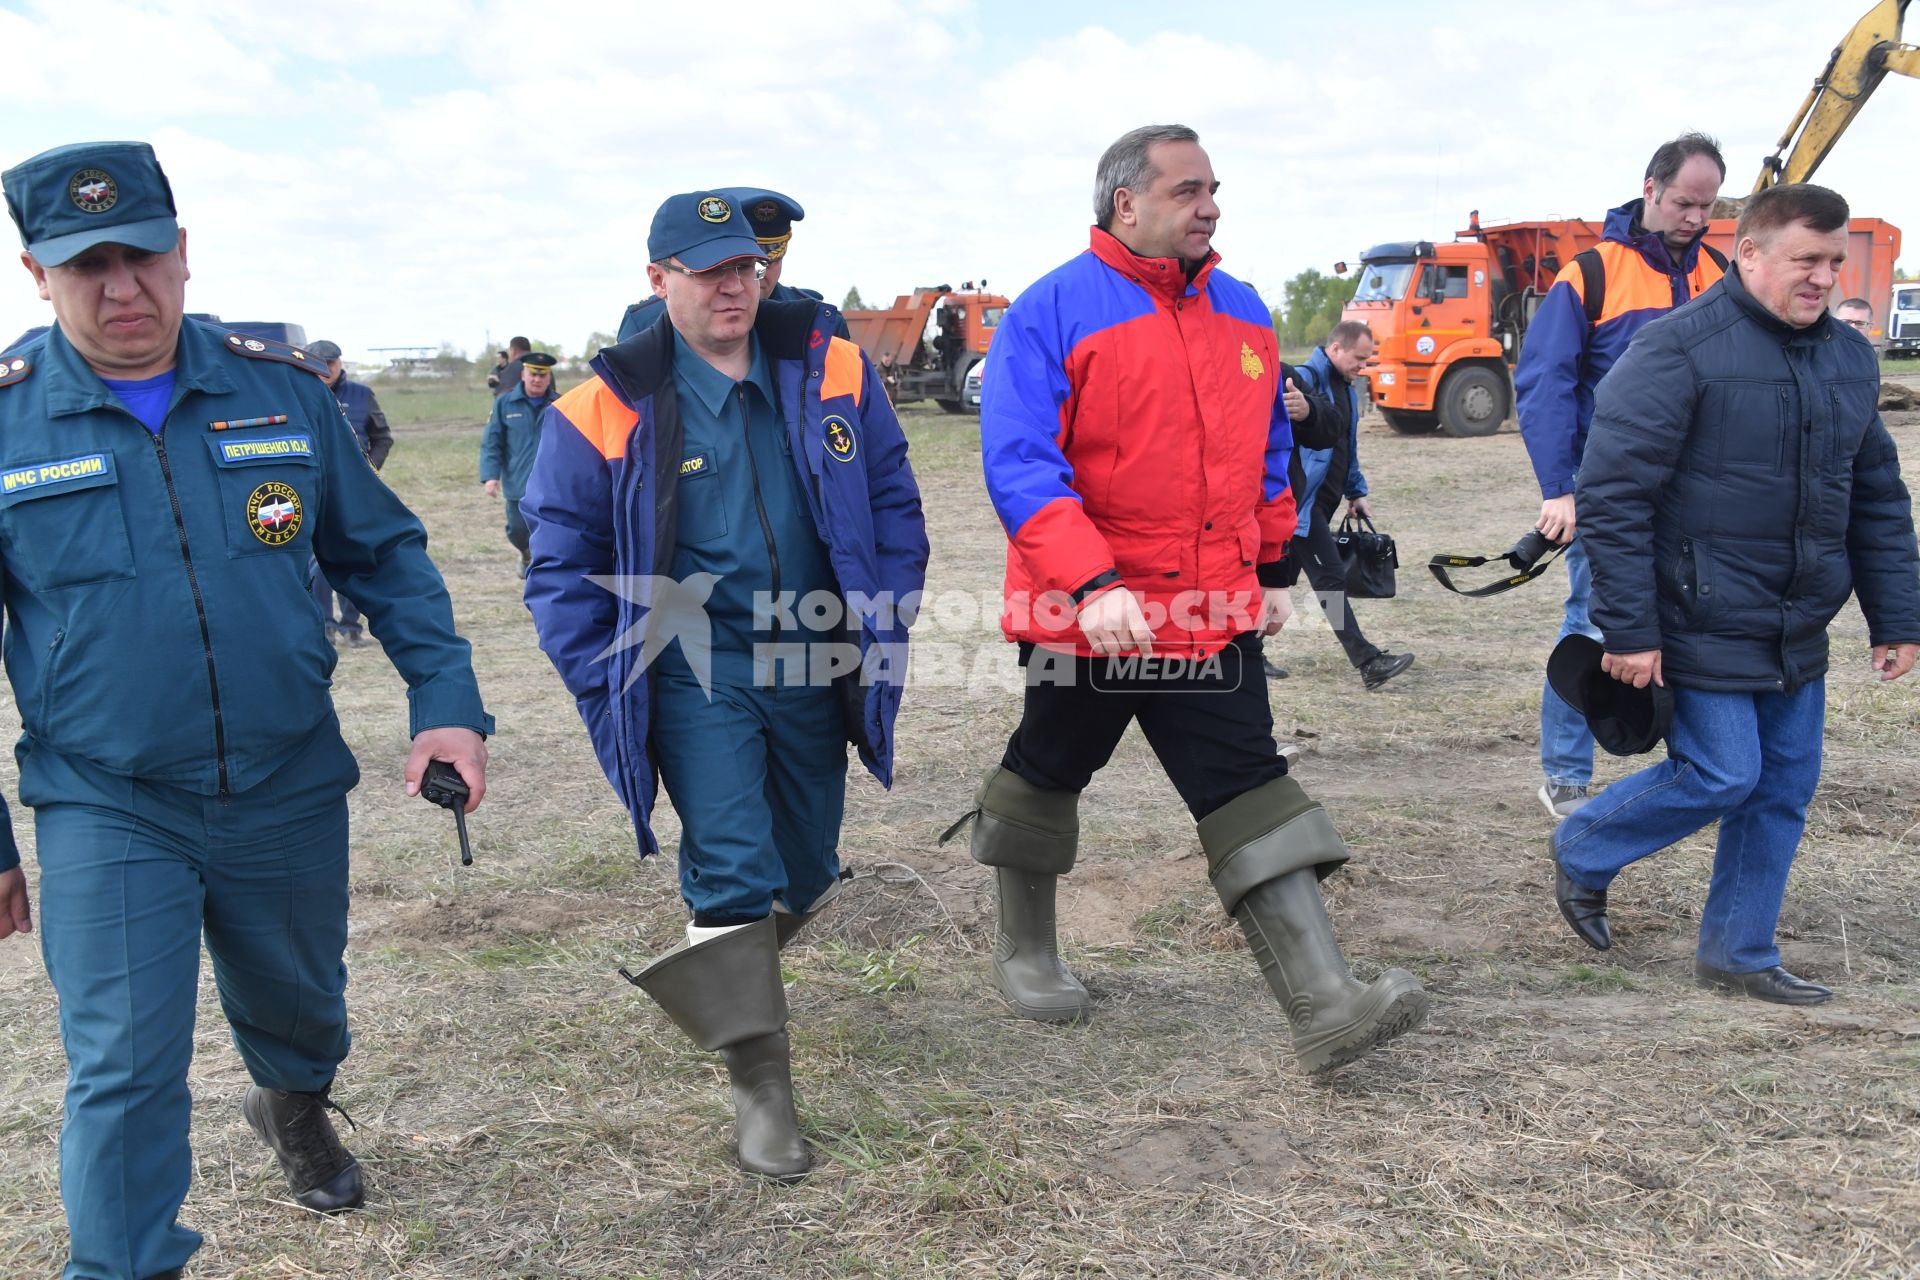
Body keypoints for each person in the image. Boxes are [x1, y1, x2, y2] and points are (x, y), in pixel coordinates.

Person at [0, 141, 492, 1280]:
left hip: (285, 780)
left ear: (184, 252)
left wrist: (448, 703)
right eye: (88, 266)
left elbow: (386, 556)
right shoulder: (9, 426)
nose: (123, 289)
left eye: (142, 258)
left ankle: (292, 1098)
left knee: (305, 1005)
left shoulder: (280, 393)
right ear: (37, 272)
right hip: (106, 795)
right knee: (122, 1061)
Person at [955, 124, 1427, 1075]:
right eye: (1187, 190)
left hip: (1211, 610)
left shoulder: (1245, 311)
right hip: (1091, 614)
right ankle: (1027, 949)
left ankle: (1325, 1002)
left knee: (1246, 777)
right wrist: (1090, 584)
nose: (1210, 206)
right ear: (1125, 202)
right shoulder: (1049, 312)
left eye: (1214, 189)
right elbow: (1021, 467)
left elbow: (1265, 455)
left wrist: (1273, 570)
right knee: (1049, 766)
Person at [521, 190, 926, 1181]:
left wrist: (889, 608)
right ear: (659, 280)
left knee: (808, 862)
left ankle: (722, 975)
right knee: (736, 861)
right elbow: (557, 561)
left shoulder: (833, 365)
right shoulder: (600, 406)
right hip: (696, 666)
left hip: (816, 656)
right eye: (707, 271)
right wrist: (605, 670)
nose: (732, 286)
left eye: (744, 266)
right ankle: (763, 1093)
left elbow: (890, 493)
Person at [1551, 182, 1919, 1005]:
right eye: (1805, 260)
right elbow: (1613, 499)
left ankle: (1739, 952)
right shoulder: (1675, 349)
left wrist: (1897, 616)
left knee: (1784, 786)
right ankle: (1584, 846)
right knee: (1722, 772)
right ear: (1748, 253)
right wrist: (1629, 630)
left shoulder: (1852, 359)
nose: (1823, 277)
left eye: (1833, 261)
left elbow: (1877, 498)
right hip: (1696, 611)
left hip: (1796, 621)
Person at [1515, 132, 1729, 820]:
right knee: (1594, 622)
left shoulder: (1721, 273)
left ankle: (1691, 760)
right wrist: (1561, 488)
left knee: (1690, 624)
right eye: (1684, 203)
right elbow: (1544, 382)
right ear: (1650, 188)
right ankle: (1566, 773)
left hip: (1697, 492)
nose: (1694, 218)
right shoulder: (1593, 273)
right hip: (1609, 490)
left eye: (1707, 206)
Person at [1282, 320, 1416, 690]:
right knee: (1331, 581)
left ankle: (1246, 651)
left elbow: (1347, 446)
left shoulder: (1348, 389)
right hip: (1300, 507)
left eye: (1367, 359)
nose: (1363, 365)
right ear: (1336, 349)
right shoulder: (1303, 380)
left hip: (1322, 505)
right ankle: (1368, 661)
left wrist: (1356, 491)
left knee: (1278, 579)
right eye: (1359, 357)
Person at [615, 187, 850, 342]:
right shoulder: (647, 322)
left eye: (766, 260)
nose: (737, 284)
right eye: (721, 265)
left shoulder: (815, 317)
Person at [304, 338, 394, 645]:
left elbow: (382, 437)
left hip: (355, 491)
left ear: (339, 363)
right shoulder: (296, 393)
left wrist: (370, 470)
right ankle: (324, 623)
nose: (326, 369)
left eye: (331, 362)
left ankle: (351, 625)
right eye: (319, 362)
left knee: (353, 556)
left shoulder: (361, 395)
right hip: (313, 489)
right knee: (317, 561)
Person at [480, 350, 560, 578]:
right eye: (533, 374)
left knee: (550, 532)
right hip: (518, 484)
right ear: (523, 374)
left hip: (552, 486)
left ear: (549, 377)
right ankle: (525, 554)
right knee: (517, 530)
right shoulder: (504, 404)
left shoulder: (561, 405)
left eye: (542, 375)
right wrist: (491, 476)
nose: (537, 379)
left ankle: (546, 571)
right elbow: (492, 442)